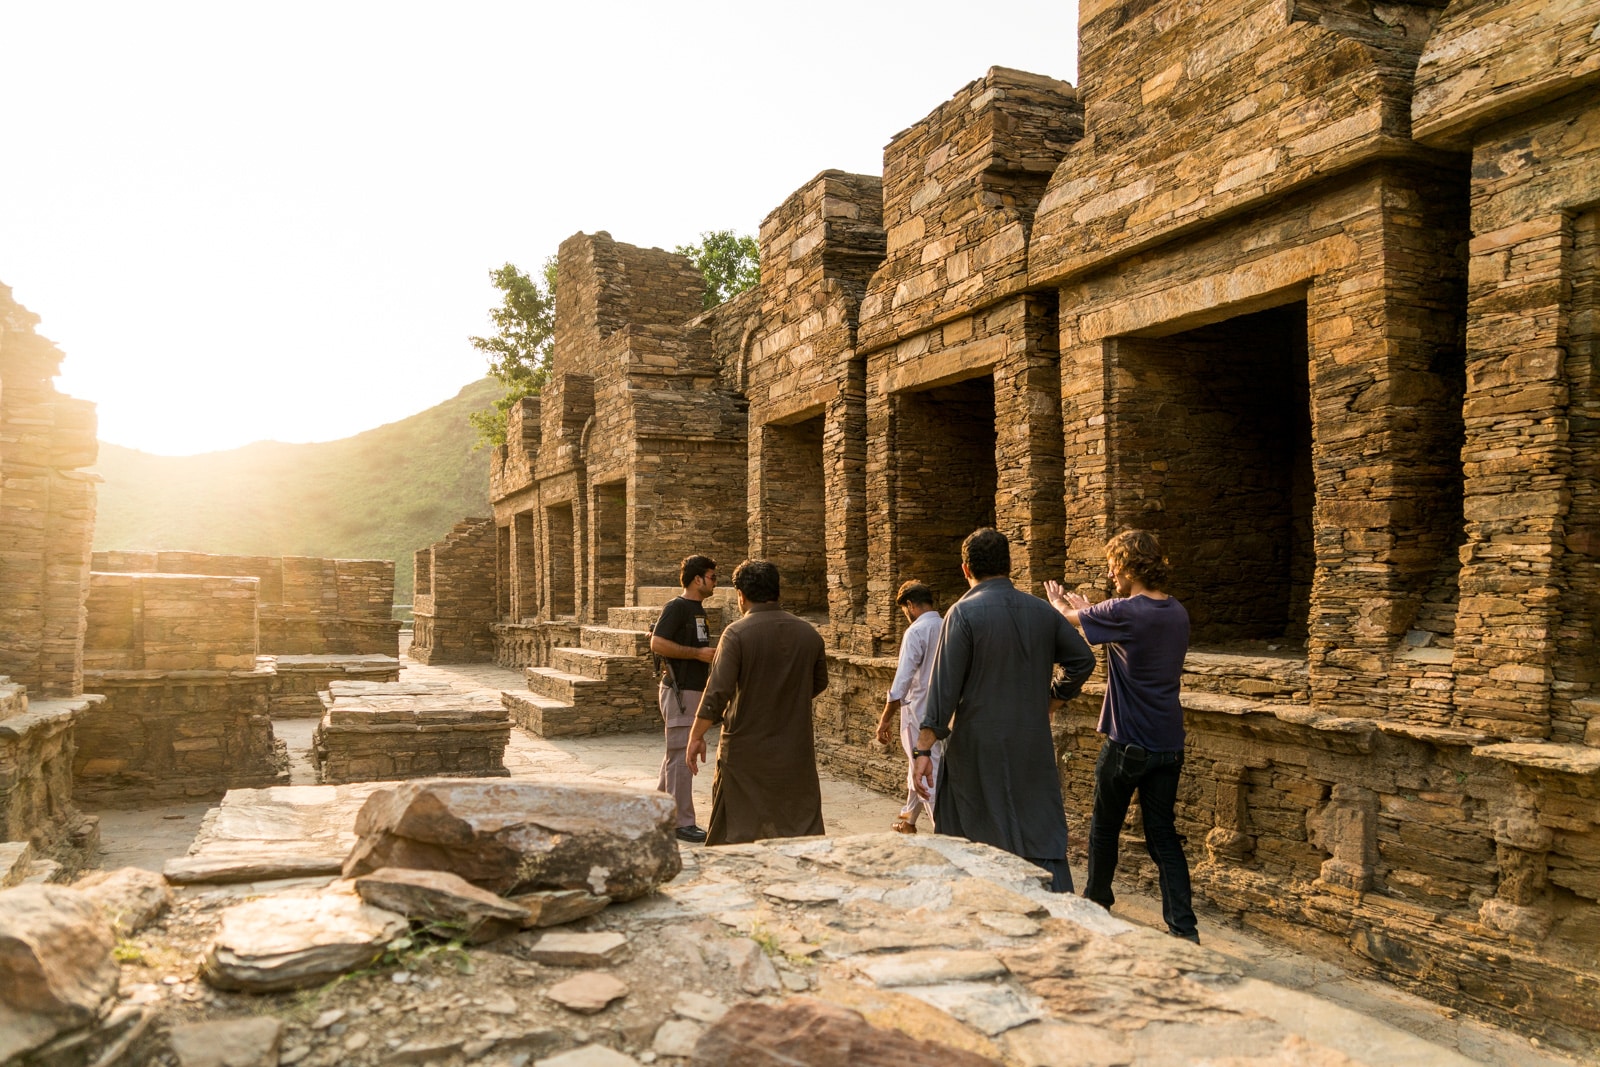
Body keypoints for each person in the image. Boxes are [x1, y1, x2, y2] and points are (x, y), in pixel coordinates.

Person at [914, 528, 1095, 891]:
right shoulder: (1041, 611)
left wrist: (923, 749)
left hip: (977, 743)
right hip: (1030, 739)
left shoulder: (963, 613)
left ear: (966, 569)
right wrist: (1052, 701)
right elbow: (1082, 659)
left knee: (968, 832)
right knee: (1036, 823)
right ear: (1008, 566)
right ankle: (1057, 906)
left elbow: (943, 691)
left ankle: (977, 906)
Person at [1044, 529, 1198, 942]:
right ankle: (1184, 930)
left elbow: (1068, 620)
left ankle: (1096, 904)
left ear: (1130, 566)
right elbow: (1122, 632)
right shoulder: (1176, 611)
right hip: (1169, 741)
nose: (1112, 576)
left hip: (1127, 740)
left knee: (1104, 827)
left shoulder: (1126, 611)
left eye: (1114, 568)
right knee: (1163, 836)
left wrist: (1061, 603)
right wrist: (1096, 611)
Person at [686, 559, 828, 845]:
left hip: (744, 750)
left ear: (742, 596)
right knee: (797, 823)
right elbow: (819, 682)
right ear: (777, 592)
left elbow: (716, 693)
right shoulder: (808, 634)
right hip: (794, 749)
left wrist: (696, 736)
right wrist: (784, 697)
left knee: (736, 829)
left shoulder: (737, 634)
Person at [649, 555, 717, 844]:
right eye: (712, 576)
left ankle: (660, 814)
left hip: (691, 690)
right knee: (680, 757)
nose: (715, 581)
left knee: (675, 755)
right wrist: (697, 654)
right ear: (697, 579)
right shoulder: (677, 607)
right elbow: (657, 642)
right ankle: (681, 822)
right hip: (680, 690)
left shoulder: (696, 610)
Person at [875, 580, 942, 834]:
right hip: (945, 712)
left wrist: (885, 719)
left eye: (905, 610)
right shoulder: (947, 625)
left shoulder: (916, 631)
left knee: (926, 773)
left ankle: (944, 835)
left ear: (910, 605)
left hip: (919, 714)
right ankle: (908, 821)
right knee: (920, 766)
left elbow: (901, 682)